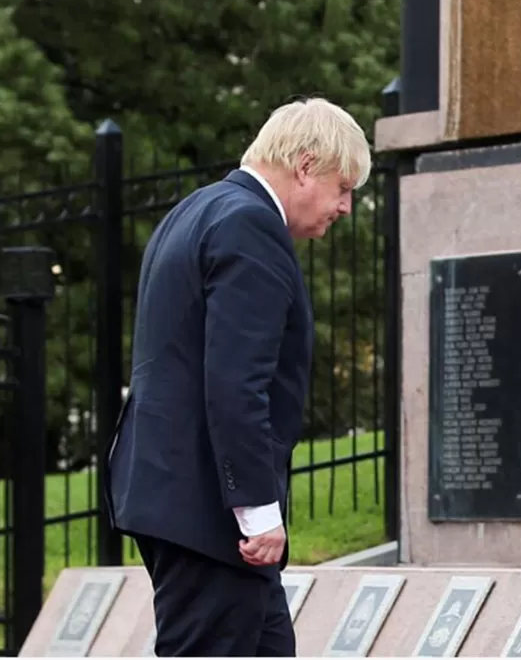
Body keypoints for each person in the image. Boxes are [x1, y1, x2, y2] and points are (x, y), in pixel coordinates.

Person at [104, 97, 371, 656]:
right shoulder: (250, 225)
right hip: (210, 513)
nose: (346, 206)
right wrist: (256, 512)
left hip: (176, 495)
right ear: (305, 166)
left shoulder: (197, 210)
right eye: (343, 187)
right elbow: (235, 382)